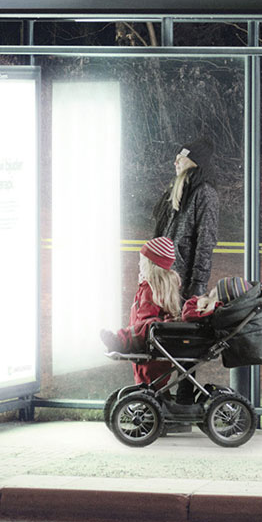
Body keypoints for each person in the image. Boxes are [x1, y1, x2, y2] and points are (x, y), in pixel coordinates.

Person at [100, 237, 184, 389]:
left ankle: (119, 341)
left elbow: (144, 318)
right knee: (152, 384)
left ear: (151, 265)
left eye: (142, 261)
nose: (139, 264)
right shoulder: (161, 288)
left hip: (147, 347)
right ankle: (153, 402)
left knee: (146, 382)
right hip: (156, 349)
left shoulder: (149, 289)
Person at [152, 137, 219, 299]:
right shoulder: (175, 190)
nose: (175, 164)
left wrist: (199, 283)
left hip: (184, 281)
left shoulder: (205, 193)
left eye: (180, 160)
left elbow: (206, 240)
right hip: (166, 276)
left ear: (193, 163)